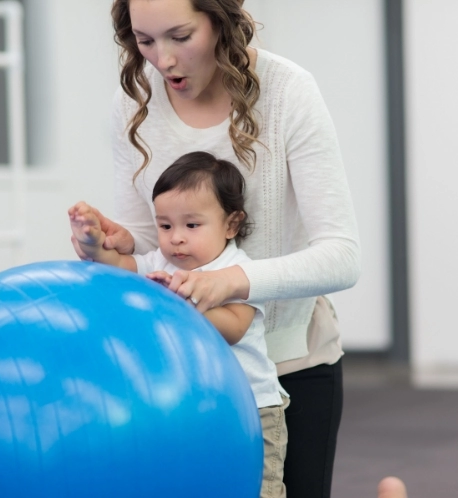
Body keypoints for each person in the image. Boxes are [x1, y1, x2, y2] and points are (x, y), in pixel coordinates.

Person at [74, 0, 361, 496]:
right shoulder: (133, 105)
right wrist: (112, 244)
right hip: (179, 370)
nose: (162, 61)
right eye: (144, 41)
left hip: (290, 366)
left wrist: (227, 283)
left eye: (180, 37)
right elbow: (158, 242)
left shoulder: (288, 91)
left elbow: (342, 255)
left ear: (221, 22)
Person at [69, 151, 290, 498]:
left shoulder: (237, 269)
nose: (176, 238)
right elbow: (118, 267)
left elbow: (233, 328)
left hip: (250, 409)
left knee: (256, 489)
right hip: (190, 406)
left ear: (231, 225)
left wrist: (185, 302)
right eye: (165, 225)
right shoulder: (161, 261)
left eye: (192, 225)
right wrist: (94, 245)